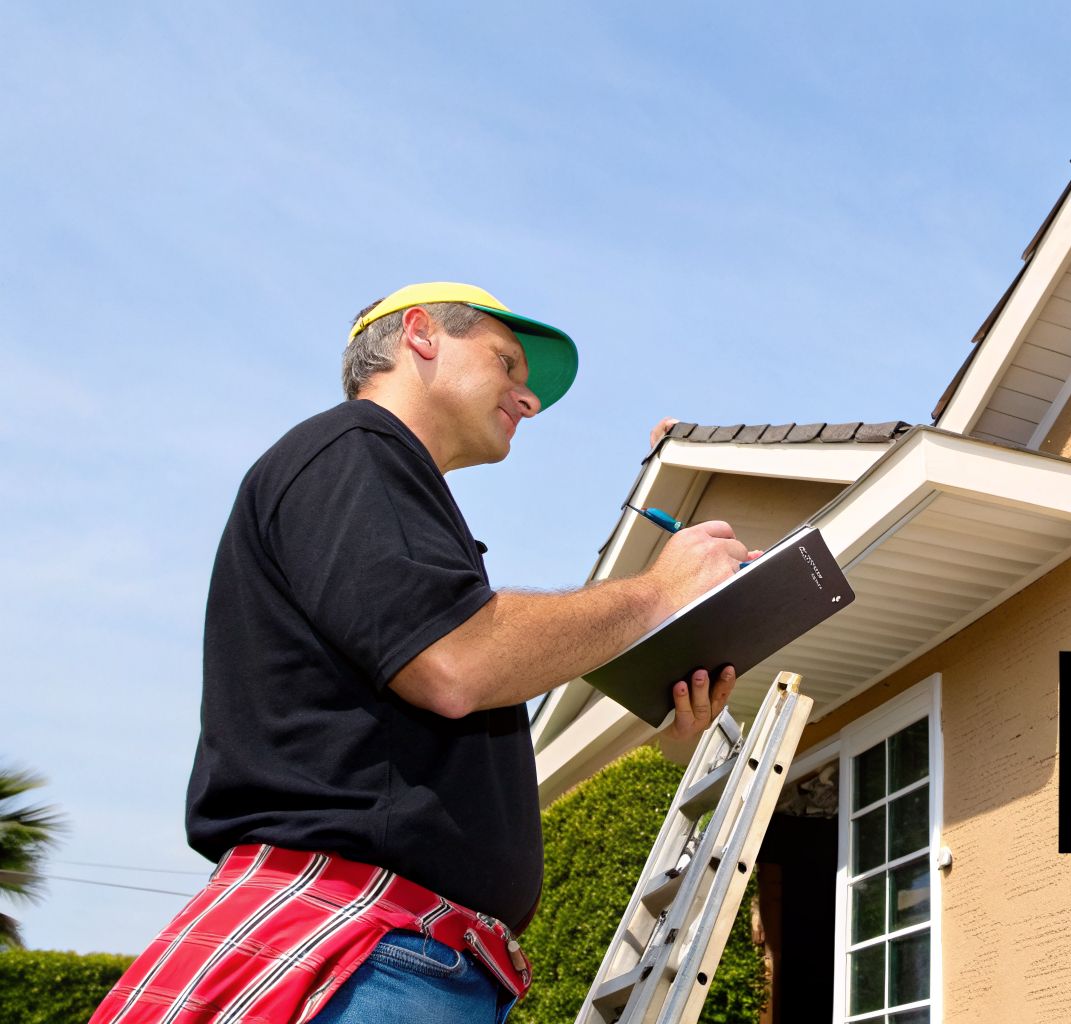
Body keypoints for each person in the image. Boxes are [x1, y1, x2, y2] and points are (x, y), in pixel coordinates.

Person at [91, 283, 757, 1024]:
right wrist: (657, 593)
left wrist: (665, 737)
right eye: (508, 365)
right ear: (420, 334)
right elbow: (457, 665)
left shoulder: (377, 486)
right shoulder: (354, 448)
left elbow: (445, 733)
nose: (527, 400)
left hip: (391, 947)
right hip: (366, 942)